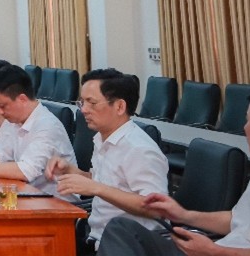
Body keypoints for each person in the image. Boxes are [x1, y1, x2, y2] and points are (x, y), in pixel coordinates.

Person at [97, 86, 250, 256]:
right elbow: (237, 220)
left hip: (221, 252)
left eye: (248, 120)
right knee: (123, 230)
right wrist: (183, 215)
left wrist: (215, 251)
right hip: (220, 249)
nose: (244, 128)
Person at [44, 69, 168, 248]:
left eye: (92, 103)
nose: (84, 110)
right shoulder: (103, 139)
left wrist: (97, 188)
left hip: (128, 247)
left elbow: (157, 208)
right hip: (97, 238)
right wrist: (71, 170)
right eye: (82, 102)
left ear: (119, 107)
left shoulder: (139, 149)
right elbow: (105, 181)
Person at [0, 65, 74, 195]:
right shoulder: (15, 122)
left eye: (2, 106)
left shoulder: (47, 126)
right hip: (26, 194)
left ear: (22, 99)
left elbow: (26, 171)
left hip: (55, 202)